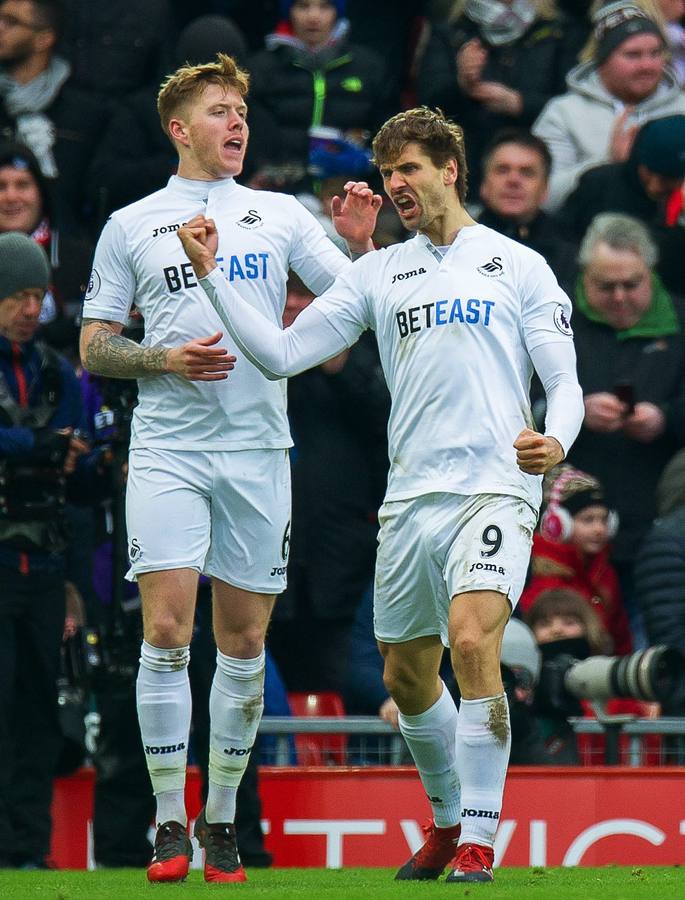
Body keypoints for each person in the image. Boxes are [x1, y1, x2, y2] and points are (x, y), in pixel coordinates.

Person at [177, 105, 584, 884]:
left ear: (449, 169)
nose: (395, 183)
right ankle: (442, 821)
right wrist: (210, 277)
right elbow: (282, 354)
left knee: (472, 642)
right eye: (387, 171)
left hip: (495, 487)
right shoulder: (376, 271)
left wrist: (555, 440)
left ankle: (480, 838)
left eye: (409, 169)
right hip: (409, 500)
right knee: (405, 674)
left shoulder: (517, 263)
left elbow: (563, 381)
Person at [78, 53, 379, 885]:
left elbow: (353, 308)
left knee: (243, 644)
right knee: (167, 633)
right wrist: (164, 358)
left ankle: (220, 824)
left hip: (257, 452)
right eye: (219, 110)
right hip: (170, 448)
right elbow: (95, 343)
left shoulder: (279, 214)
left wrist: (361, 244)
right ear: (179, 129)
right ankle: (167, 822)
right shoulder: (133, 222)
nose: (237, 122)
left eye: (241, 109)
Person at [0, 231, 89, 868]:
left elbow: (82, 466)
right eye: (18, 297)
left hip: (43, 568)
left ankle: (27, 851)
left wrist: (84, 459)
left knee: (35, 712)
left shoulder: (57, 371)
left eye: (38, 296)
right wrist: (39, 448)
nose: (32, 309)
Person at [562, 212, 685, 643]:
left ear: (650, 275)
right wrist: (572, 410)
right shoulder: (556, 320)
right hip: (569, 532)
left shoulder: (680, 323)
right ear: (584, 278)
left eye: (631, 285)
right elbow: (519, 401)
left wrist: (665, 418)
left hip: (657, 529)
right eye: (605, 286)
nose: (618, 297)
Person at [532, 2, 685, 211]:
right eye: (633, 55)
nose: (647, 65)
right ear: (601, 61)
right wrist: (608, 160)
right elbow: (541, 198)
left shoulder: (682, 108)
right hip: (589, 235)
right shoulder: (563, 113)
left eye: (655, 53)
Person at [417, 0, 574, 195]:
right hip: (463, 171)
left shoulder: (558, 32)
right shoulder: (451, 32)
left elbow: (573, 106)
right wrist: (461, 85)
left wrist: (519, 104)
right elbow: (425, 107)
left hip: (536, 164)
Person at [247, 0, 388, 180]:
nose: (313, 17)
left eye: (325, 6)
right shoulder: (261, 68)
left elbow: (388, 132)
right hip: (279, 190)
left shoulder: (369, 67)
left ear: (337, 12)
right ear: (288, 11)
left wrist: (369, 161)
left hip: (351, 191)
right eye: (303, 6)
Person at [0, 0, 109, 231]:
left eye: (11, 22)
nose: (0, 27)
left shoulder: (85, 111)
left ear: (44, 39)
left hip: (67, 245)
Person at [559, 114, 685, 294]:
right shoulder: (599, 185)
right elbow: (562, 239)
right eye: (649, 172)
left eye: (669, 178)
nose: (655, 186)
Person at [519, 464, 632, 654]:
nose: (599, 529)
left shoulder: (604, 570)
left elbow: (620, 634)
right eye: (588, 520)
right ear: (558, 524)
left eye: (604, 520)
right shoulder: (540, 572)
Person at [477, 128, 578, 287]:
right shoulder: (455, 243)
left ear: (545, 188)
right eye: (502, 170)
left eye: (527, 173)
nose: (513, 180)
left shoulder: (570, 255)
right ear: (483, 185)